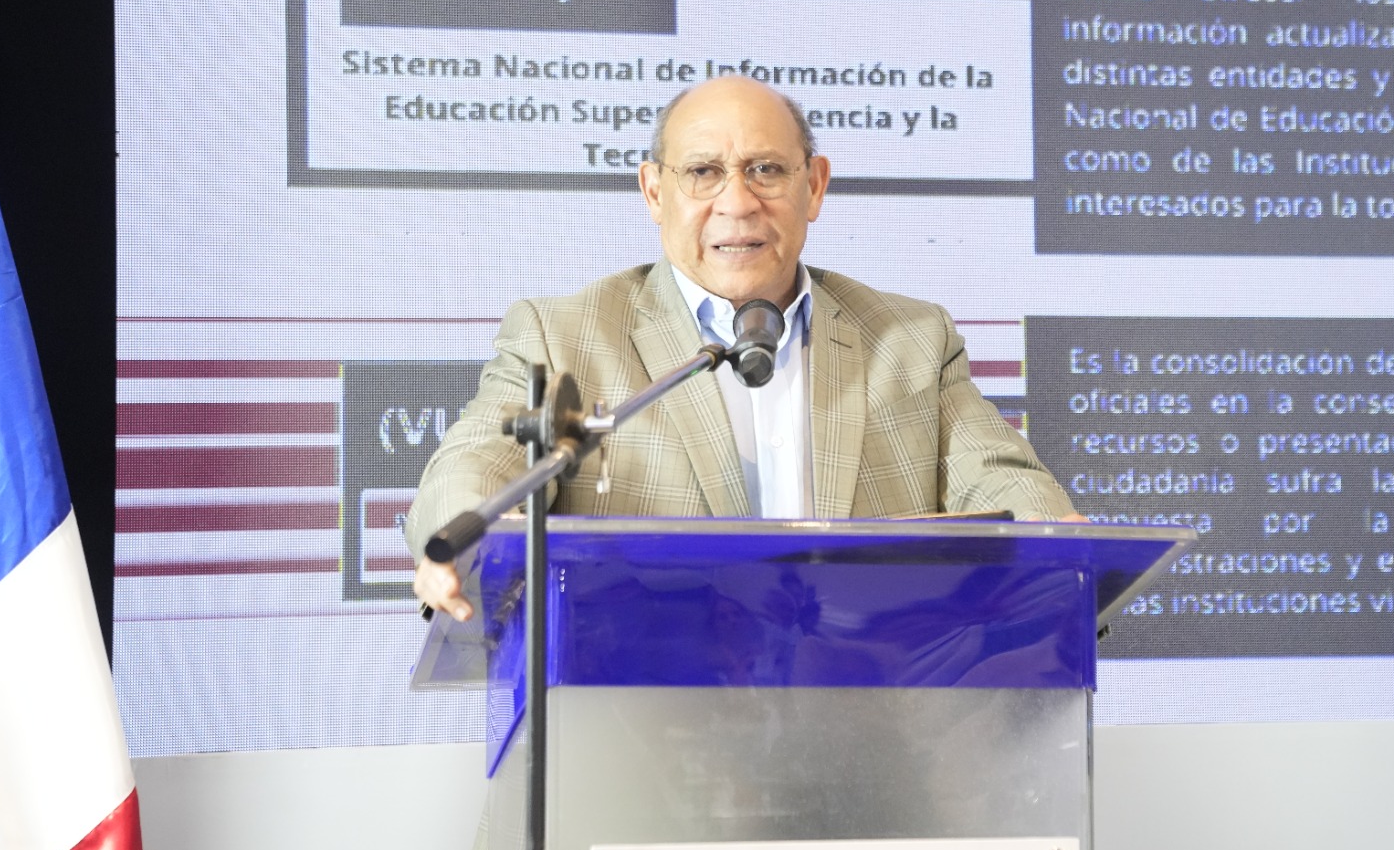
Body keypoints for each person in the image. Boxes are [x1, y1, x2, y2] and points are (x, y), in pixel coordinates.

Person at [406, 74, 1080, 623]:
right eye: (703, 172)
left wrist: (1061, 543)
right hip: (641, 714)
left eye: (766, 170)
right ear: (653, 191)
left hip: (872, 706)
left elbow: (998, 480)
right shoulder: (564, 336)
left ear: (814, 186)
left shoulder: (911, 340)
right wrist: (464, 539)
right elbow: (476, 464)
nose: (737, 201)